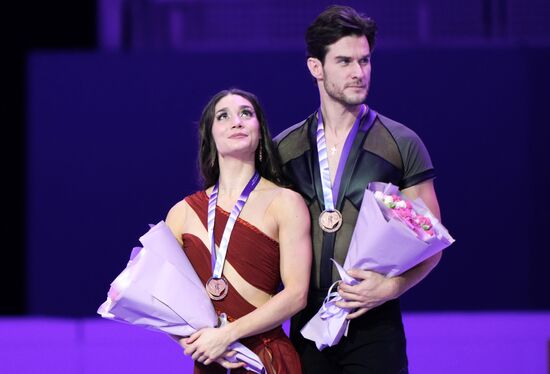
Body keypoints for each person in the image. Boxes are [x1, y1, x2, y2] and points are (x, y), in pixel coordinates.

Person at [274, 5, 442, 374]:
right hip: (306, 322)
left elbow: (431, 242)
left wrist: (392, 287)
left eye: (365, 61)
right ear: (315, 68)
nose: (358, 72)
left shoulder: (401, 143)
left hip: (375, 321)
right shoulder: (284, 150)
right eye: (345, 61)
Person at [166, 88, 311, 373]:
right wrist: (194, 342)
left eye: (246, 113)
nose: (237, 121)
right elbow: (162, 298)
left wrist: (227, 335)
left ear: (260, 132)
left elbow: (296, 294)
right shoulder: (181, 213)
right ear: (210, 136)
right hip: (212, 361)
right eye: (224, 116)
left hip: (267, 360)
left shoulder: (285, 202)